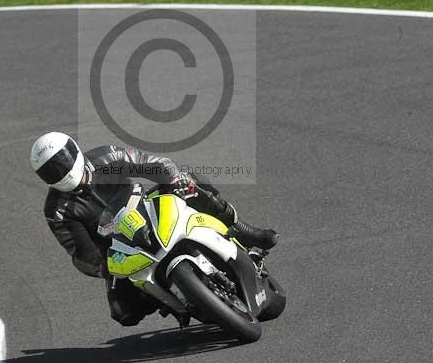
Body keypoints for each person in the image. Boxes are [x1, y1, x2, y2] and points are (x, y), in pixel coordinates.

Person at [30, 132, 278, 327]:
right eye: (53, 169)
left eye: (62, 161)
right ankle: (174, 300)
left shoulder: (108, 157)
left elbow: (153, 163)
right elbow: (80, 252)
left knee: (188, 178)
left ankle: (240, 228)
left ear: (75, 151)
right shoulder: (57, 211)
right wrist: (104, 267)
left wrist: (174, 178)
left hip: (147, 208)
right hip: (119, 247)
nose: (61, 170)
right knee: (123, 313)